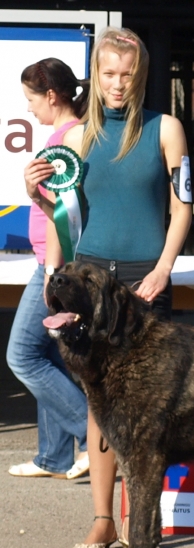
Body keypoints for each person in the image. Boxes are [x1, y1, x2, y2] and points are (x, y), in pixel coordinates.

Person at [45, 27, 192, 548]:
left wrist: (164, 268)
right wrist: (53, 269)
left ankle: (139, 525)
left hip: (142, 282)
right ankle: (103, 520)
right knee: (99, 403)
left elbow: (183, 206)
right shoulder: (74, 136)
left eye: (127, 74)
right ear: (96, 74)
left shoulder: (165, 130)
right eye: (108, 73)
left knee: (148, 409)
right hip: (85, 281)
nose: (117, 83)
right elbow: (63, 212)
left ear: (141, 76)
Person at [6, 58, 89, 479]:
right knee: (45, 355)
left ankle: (93, 439)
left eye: (31, 99)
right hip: (50, 262)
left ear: (52, 96)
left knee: (21, 355)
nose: (28, 109)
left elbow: (68, 212)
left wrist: (54, 269)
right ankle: (53, 456)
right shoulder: (65, 136)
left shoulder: (71, 138)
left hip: (55, 265)